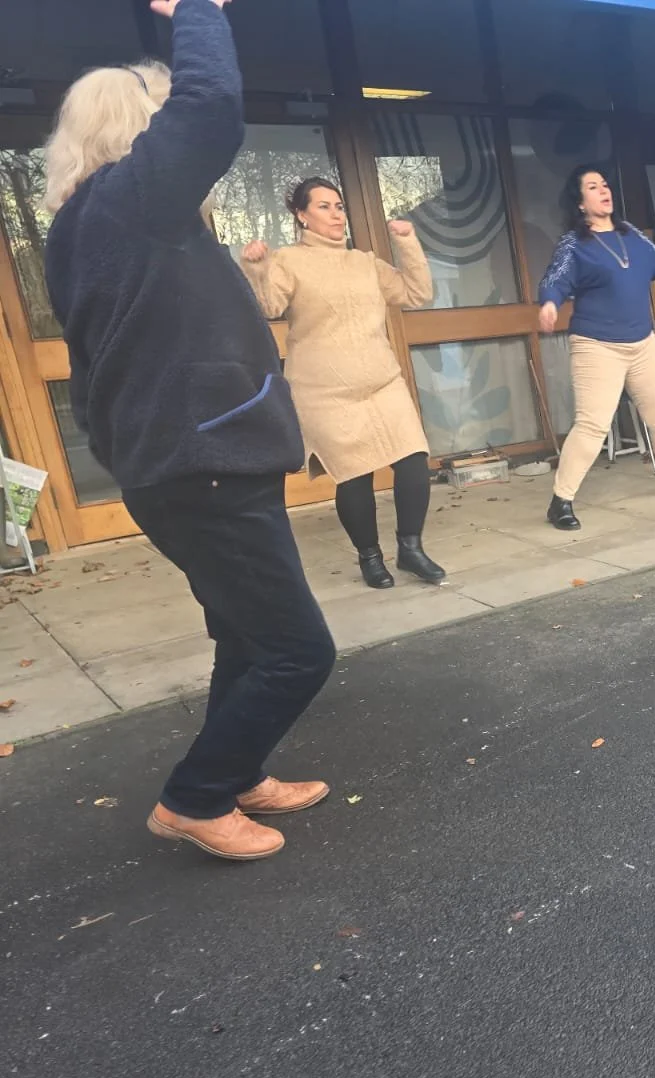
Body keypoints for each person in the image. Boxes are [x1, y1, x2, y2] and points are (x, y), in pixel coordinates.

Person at [43, 0, 336, 862]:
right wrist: (197, 13)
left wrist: (130, 450)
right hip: (202, 464)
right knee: (297, 651)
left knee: (243, 632)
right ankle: (196, 796)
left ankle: (236, 770)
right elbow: (208, 111)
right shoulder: (129, 205)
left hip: (190, 462)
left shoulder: (88, 227)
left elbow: (96, 371)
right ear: (137, 132)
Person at [241, 178, 444, 589]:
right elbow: (269, 306)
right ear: (301, 215)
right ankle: (370, 557)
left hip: (382, 382)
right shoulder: (288, 261)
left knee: (412, 460)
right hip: (324, 391)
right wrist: (257, 268)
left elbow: (416, 293)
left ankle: (411, 548)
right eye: (324, 207)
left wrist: (407, 243)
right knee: (354, 475)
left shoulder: (364, 262)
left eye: (338, 206)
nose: (336, 214)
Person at [536, 165, 655, 531]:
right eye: (593, 187)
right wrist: (549, 303)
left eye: (605, 184)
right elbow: (554, 279)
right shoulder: (575, 244)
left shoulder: (631, 236)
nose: (604, 190)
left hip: (641, 343)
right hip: (596, 346)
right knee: (592, 425)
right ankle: (560, 501)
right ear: (580, 203)